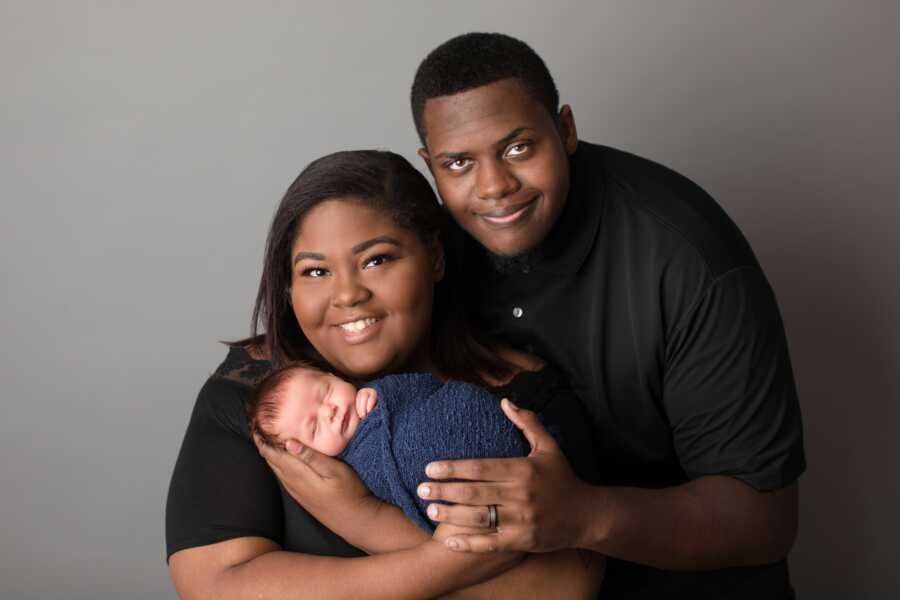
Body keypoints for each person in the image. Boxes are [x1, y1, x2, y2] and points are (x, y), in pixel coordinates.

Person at [408, 33, 806, 598]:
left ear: (565, 129)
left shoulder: (687, 256)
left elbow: (765, 522)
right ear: (431, 166)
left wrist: (583, 514)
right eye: (459, 163)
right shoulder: (429, 245)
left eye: (519, 147)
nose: (494, 186)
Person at [166, 150, 604, 598]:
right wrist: (467, 559)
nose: (348, 295)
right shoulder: (258, 394)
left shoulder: (523, 397)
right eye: (315, 271)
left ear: (434, 256)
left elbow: (565, 586)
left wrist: (362, 519)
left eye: (376, 260)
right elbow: (214, 585)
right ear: (288, 286)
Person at [248, 364, 529, 532]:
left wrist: (382, 393)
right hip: (463, 499)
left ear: (333, 375)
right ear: (307, 454)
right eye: (314, 427)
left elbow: (423, 387)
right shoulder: (346, 473)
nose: (330, 411)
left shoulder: (376, 395)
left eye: (326, 392)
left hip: (468, 417)